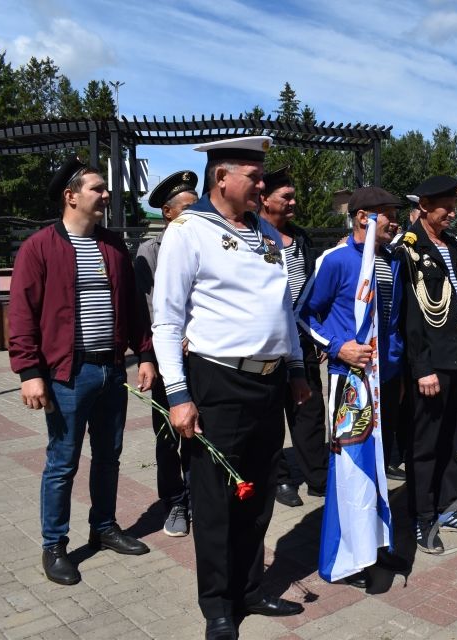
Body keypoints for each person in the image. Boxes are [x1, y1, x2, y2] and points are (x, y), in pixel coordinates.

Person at [152, 136, 310, 638]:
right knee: (218, 497)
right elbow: (167, 321)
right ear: (222, 177)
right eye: (254, 177)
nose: (263, 186)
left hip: (270, 381)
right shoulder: (189, 231)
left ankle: (249, 587)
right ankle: (218, 604)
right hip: (218, 379)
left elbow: (282, 306)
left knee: (258, 493)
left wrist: (299, 367)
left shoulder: (263, 233)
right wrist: (178, 395)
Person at [9, 156, 156, 586]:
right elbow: (21, 314)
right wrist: (29, 372)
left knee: (109, 456)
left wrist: (144, 354)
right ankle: (54, 545)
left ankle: (104, 526)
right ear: (71, 196)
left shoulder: (112, 245)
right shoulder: (39, 247)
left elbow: (131, 308)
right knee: (63, 462)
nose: (106, 194)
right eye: (98, 188)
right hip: (66, 376)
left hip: (111, 371)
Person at [295, 186, 406, 588]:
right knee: (351, 468)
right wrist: (339, 347)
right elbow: (304, 315)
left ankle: (375, 544)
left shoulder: (391, 260)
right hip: (352, 384)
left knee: (379, 467)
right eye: (388, 213)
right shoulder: (336, 260)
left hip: (388, 380)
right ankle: (346, 557)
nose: (396, 221)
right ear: (363, 217)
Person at [394, 175, 457, 554]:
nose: (452, 213)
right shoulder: (409, 248)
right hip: (434, 360)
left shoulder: (452, 245)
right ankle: (421, 517)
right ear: (425, 206)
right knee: (426, 443)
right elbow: (410, 315)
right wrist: (421, 366)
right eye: (445, 206)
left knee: (452, 438)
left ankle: (448, 508)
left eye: (453, 206)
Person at [258, 166, 328, 508]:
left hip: (302, 340)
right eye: (286, 197)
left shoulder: (301, 238)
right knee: (269, 415)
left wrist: (322, 336)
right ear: (263, 199)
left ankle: (318, 477)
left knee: (309, 409)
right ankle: (281, 479)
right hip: (265, 342)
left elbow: (314, 292)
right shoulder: (250, 236)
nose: (293, 202)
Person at [134, 170, 199, 537]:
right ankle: (175, 501)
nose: (194, 213)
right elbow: (150, 309)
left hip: (203, 358)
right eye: (187, 208)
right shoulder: (151, 251)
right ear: (169, 213)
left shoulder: (204, 240)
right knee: (168, 434)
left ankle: (197, 496)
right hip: (168, 359)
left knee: (199, 431)